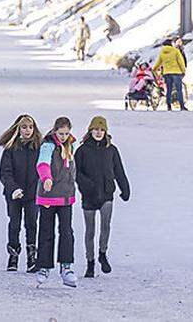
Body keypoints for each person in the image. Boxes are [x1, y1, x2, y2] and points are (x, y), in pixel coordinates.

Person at [74, 116, 130, 278]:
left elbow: (119, 170)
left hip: (107, 194)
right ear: (90, 131)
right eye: (95, 129)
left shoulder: (111, 150)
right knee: (90, 230)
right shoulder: (82, 150)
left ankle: (102, 253)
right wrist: (86, 186)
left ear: (105, 132)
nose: (98, 132)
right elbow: (76, 173)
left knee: (106, 225)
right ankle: (90, 262)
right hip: (89, 196)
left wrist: (124, 188)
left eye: (101, 130)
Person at [35, 116, 78, 288]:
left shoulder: (71, 146)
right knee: (46, 231)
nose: (64, 137)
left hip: (66, 196)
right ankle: (44, 266)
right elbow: (42, 164)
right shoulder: (48, 146)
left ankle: (66, 267)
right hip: (48, 196)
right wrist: (46, 178)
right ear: (55, 131)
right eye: (61, 133)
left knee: (66, 231)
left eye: (66, 133)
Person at [0, 114, 42, 272]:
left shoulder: (39, 148)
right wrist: (13, 188)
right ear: (18, 129)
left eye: (30, 127)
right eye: (24, 127)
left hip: (33, 194)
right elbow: (4, 172)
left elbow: (42, 170)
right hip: (14, 194)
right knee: (14, 224)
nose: (27, 130)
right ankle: (13, 254)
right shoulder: (10, 149)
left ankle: (32, 256)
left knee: (31, 223)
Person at [157, 38, 188, 111]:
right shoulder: (175, 51)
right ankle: (182, 106)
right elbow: (181, 62)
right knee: (179, 90)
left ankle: (169, 106)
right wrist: (183, 71)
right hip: (176, 73)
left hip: (167, 73)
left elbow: (158, 63)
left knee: (169, 90)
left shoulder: (162, 52)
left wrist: (154, 70)